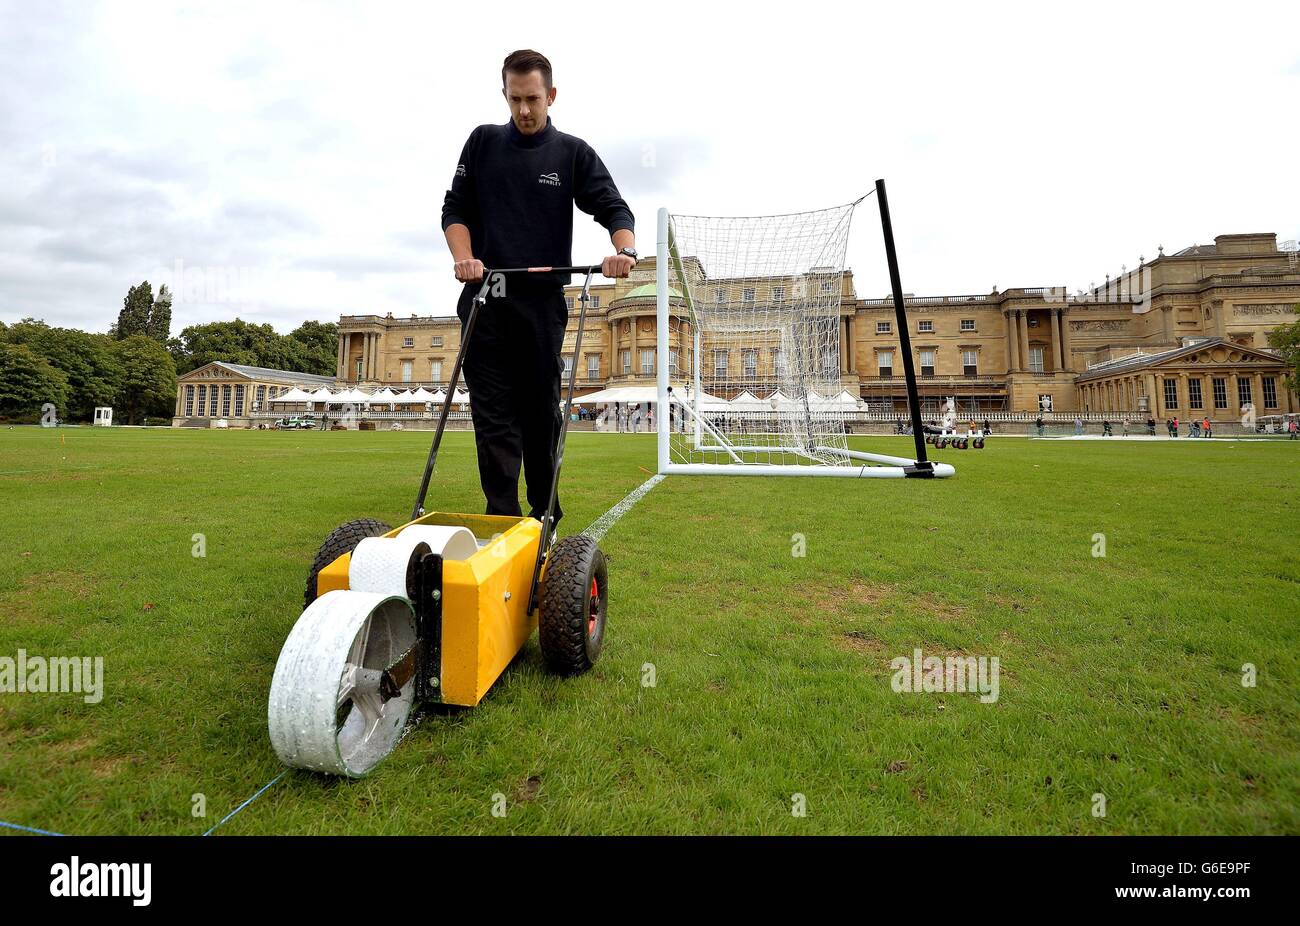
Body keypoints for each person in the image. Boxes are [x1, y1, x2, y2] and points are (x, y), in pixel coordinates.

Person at [442, 49, 635, 531]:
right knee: (492, 418)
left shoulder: (571, 153)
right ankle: (502, 519)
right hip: (485, 301)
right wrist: (463, 257)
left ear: (551, 95)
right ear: (504, 96)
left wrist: (623, 252)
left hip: (540, 306)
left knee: (540, 414)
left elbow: (613, 208)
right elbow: (455, 209)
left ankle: (545, 513)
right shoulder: (483, 143)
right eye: (514, 100)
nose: (524, 111)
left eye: (532, 99)